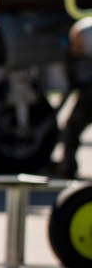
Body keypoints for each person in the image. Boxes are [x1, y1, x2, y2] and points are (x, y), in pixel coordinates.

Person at [59, 17, 92, 178]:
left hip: (88, 94)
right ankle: (68, 167)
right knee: (71, 128)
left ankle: (68, 167)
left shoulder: (85, 34)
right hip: (87, 95)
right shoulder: (83, 33)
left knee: (72, 127)